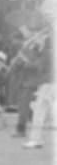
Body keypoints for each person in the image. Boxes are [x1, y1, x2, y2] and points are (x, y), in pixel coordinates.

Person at [22, 18, 52, 149]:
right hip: (48, 83)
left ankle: (36, 139)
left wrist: (30, 57)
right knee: (41, 111)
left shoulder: (48, 51)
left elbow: (41, 66)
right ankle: (36, 139)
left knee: (40, 112)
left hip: (48, 83)